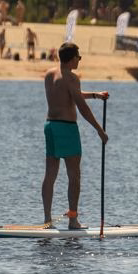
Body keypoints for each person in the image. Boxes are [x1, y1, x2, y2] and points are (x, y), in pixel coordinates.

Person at [41, 42, 108, 228]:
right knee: (74, 176)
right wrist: (99, 129)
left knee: (50, 175)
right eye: (78, 57)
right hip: (67, 129)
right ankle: (73, 220)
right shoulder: (72, 78)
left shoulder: (49, 75)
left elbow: (70, 94)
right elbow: (81, 106)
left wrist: (95, 95)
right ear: (72, 59)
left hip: (50, 126)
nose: (79, 60)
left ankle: (47, 219)